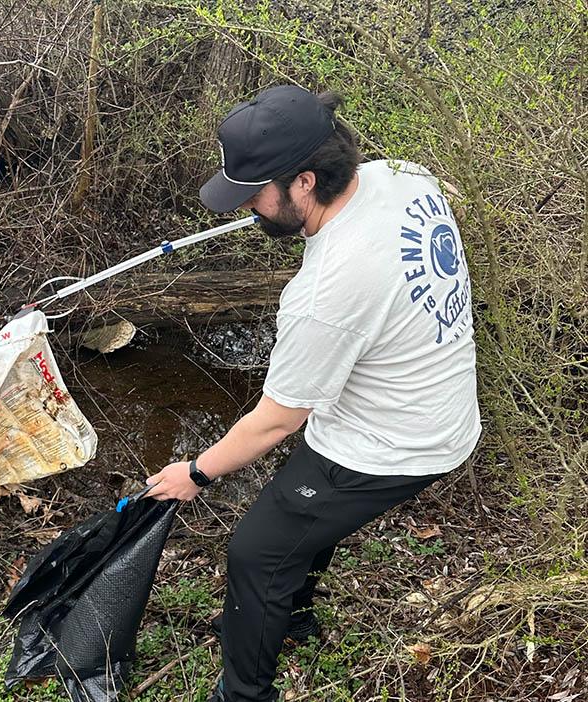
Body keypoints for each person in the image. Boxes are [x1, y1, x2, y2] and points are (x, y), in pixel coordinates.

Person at [145, 85, 481, 702]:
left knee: (256, 554)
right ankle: (293, 615)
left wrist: (196, 470)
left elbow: (278, 420)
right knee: (297, 520)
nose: (246, 208)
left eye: (254, 194)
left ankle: (243, 693)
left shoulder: (325, 296)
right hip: (439, 403)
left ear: (304, 182)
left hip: (396, 443)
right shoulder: (402, 176)